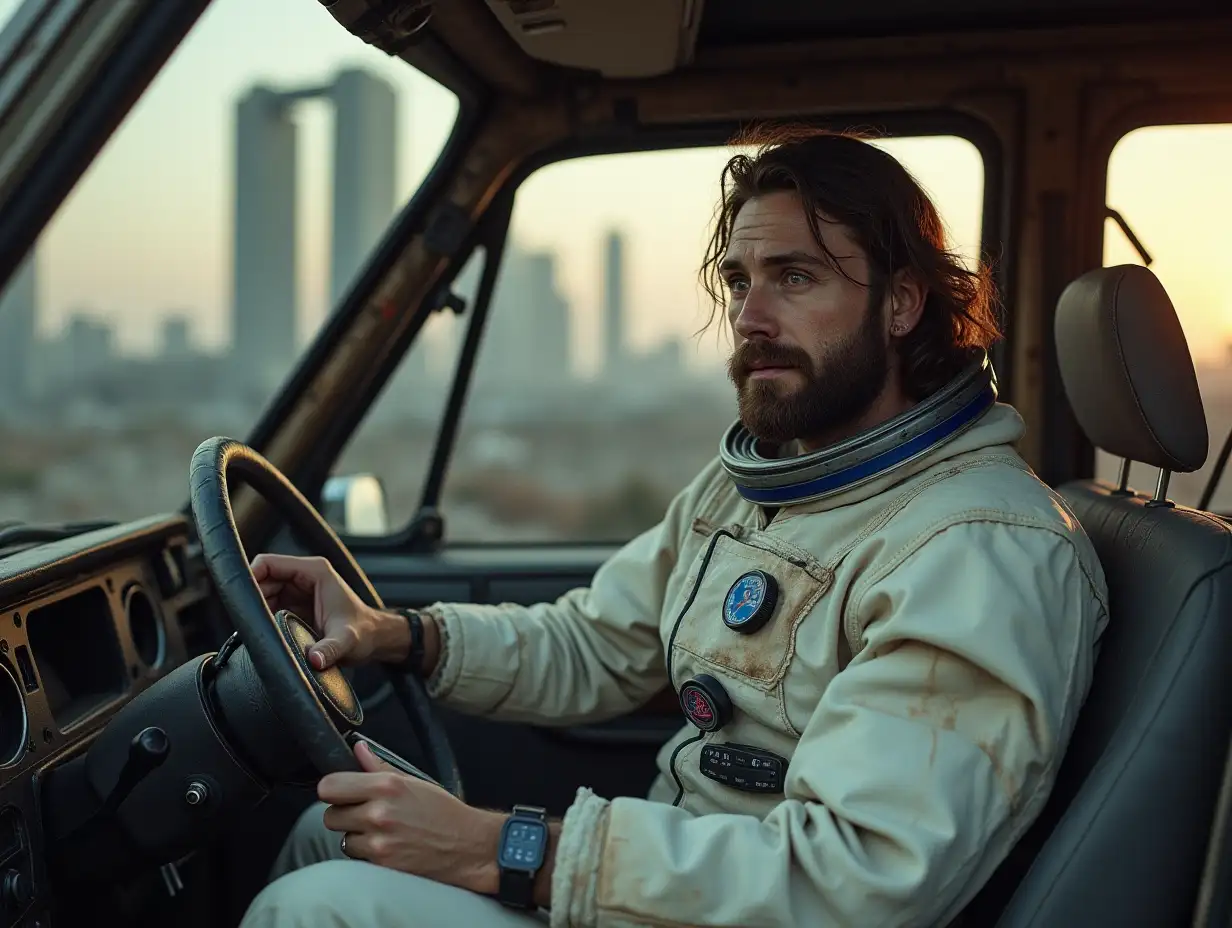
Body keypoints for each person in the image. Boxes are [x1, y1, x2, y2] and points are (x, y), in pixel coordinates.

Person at [241, 127, 1108, 928]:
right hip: (684, 889)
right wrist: (396, 634)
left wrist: (498, 847)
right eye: (740, 281)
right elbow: (592, 645)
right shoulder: (758, 486)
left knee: (317, 908)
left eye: (796, 278)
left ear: (903, 303)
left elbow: (861, 877)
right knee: (336, 829)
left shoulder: (981, 547)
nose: (751, 318)